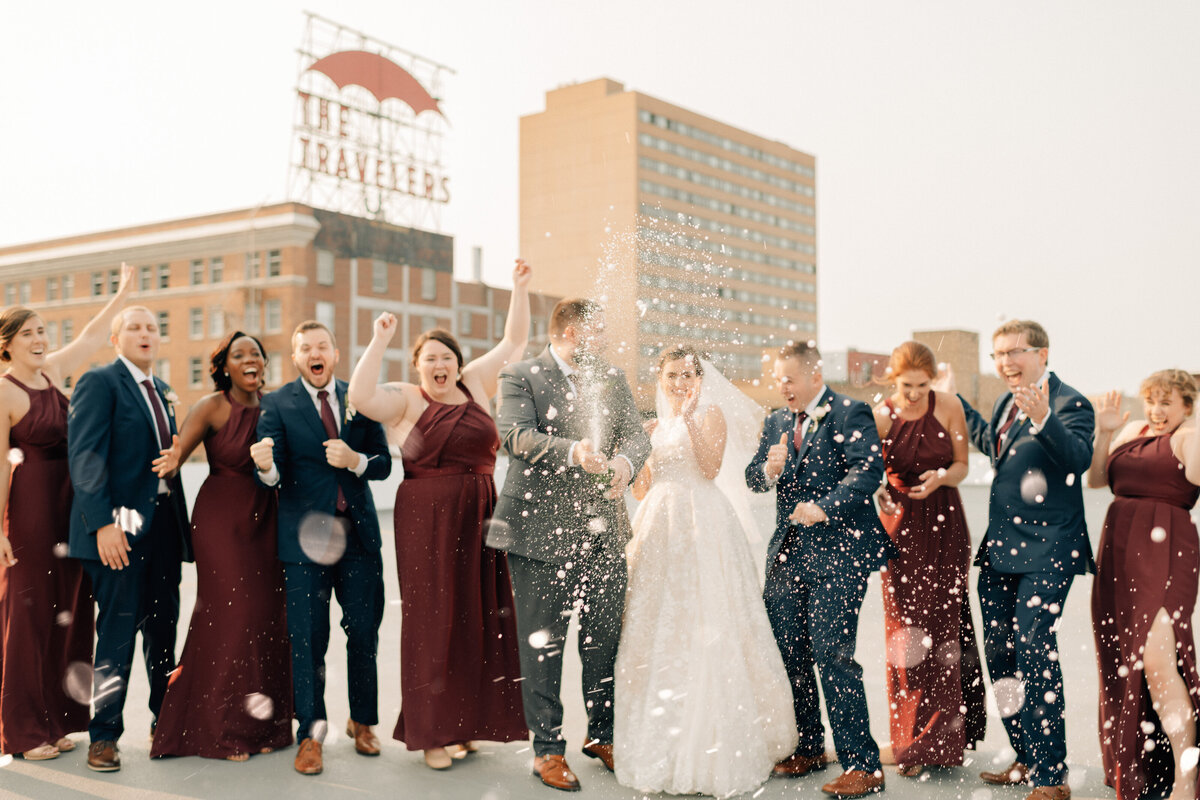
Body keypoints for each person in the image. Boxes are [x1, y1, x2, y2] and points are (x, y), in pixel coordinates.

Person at [346, 259, 532, 770]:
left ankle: (465, 725)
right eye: (429, 358)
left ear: (457, 361)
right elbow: (360, 396)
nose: (439, 364)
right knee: (432, 622)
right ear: (418, 366)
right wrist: (380, 339)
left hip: (481, 516)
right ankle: (431, 733)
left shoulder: (475, 384)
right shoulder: (407, 400)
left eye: (446, 356)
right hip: (427, 519)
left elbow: (514, 342)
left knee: (477, 618)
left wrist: (519, 288)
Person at [613, 345, 797, 798]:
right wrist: (638, 445)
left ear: (700, 378)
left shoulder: (709, 412)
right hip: (659, 524)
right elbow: (641, 488)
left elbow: (712, 468)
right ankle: (660, 734)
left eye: (688, 374)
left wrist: (690, 417)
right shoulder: (655, 424)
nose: (680, 383)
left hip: (704, 522)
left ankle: (718, 737)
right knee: (658, 623)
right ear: (660, 378)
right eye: (672, 375)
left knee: (711, 615)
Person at [487, 298, 651, 792]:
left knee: (604, 642)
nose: (604, 338)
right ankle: (548, 750)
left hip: (604, 532)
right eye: (597, 330)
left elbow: (636, 438)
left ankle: (602, 735)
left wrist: (626, 465)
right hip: (537, 535)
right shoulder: (520, 374)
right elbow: (514, 436)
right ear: (571, 332)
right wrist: (572, 452)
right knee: (543, 646)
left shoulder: (612, 378)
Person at [951, 319, 1094, 800]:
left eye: (1015, 352)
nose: (1005, 362)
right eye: (998, 355)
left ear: (1042, 353)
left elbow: (1077, 460)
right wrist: (958, 404)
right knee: (999, 655)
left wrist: (1043, 421)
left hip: (1050, 547)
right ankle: (1027, 757)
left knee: (1035, 647)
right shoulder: (1002, 400)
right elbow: (995, 446)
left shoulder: (1071, 403)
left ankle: (1053, 776)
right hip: (1001, 548)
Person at [745, 340, 895, 799]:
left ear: (814, 375)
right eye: (778, 378)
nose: (782, 386)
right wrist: (767, 470)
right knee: (790, 654)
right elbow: (752, 480)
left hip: (840, 555)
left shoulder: (851, 413)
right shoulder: (774, 420)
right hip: (788, 556)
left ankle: (863, 765)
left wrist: (825, 508)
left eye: (789, 378)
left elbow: (868, 473)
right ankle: (809, 745)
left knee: (833, 655)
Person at [0, 265, 133, 761]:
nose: (39, 339)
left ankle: (56, 722)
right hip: (30, 509)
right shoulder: (4, 390)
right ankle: (24, 731)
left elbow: (93, 336)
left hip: (72, 508)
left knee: (68, 616)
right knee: (28, 619)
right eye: (28, 333)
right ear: (7, 344)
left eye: (42, 331)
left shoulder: (53, 371)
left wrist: (121, 294)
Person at [252, 320, 391, 776]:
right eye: (305, 348)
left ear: (334, 353)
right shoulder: (276, 403)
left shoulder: (362, 396)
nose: (315, 353)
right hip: (305, 541)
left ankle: (363, 722)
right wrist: (268, 466)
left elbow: (384, 464)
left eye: (322, 345)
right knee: (308, 640)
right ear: (296, 359)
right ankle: (310, 735)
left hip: (359, 536)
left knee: (364, 634)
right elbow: (269, 473)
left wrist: (357, 461)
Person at [149, 331, 293, 761]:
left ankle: (262, 726)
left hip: (268, 518)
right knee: (232, 617)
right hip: (220, 521)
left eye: (256, 353)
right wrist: (169, 461)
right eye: (239, 354)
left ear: (264, 364)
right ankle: (221, 730)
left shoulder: (277, 405)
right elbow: (175, 456)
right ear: (224, 366)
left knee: (267, 617)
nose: (250, 359)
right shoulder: (210, 407)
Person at [67, 303, 193, 773]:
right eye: (134, 327)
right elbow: (84, 456)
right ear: (115, 339)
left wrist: (176, 456)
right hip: (117, 528)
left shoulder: (161, 389)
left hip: (162, 527)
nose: (145, 333)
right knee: (117, 633)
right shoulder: (100, 382)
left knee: (163, 631)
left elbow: (156, 458)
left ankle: (165, 721)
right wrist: (102, 525)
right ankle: (103, 737)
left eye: (152, 327)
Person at [871, 341, 986, 778]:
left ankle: (941, 740)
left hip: (946, 524)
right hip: (900, 529)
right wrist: (876, 488)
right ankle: (910, 741)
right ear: (892, 380)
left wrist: (941, 478)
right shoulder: (882, 416)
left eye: (922, 385)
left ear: (931, 380)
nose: (915, 393)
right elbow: (866, 470)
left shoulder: (950, 405)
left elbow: (960, 464)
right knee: (905, 634)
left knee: (943, 633)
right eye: (907, 386)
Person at [1087, 370, 1200, 800]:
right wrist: (1105, 433)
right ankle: (1134, 765)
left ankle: (1186, 775)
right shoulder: (1132, 428)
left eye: (1167, 403)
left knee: (1158, 661)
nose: (1156, 410)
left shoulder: (1188, 434)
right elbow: (1097, 480)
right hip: (1119, 545)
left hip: (1168, 548)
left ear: (1187, 406)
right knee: (1121, 657)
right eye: (1152, 400)